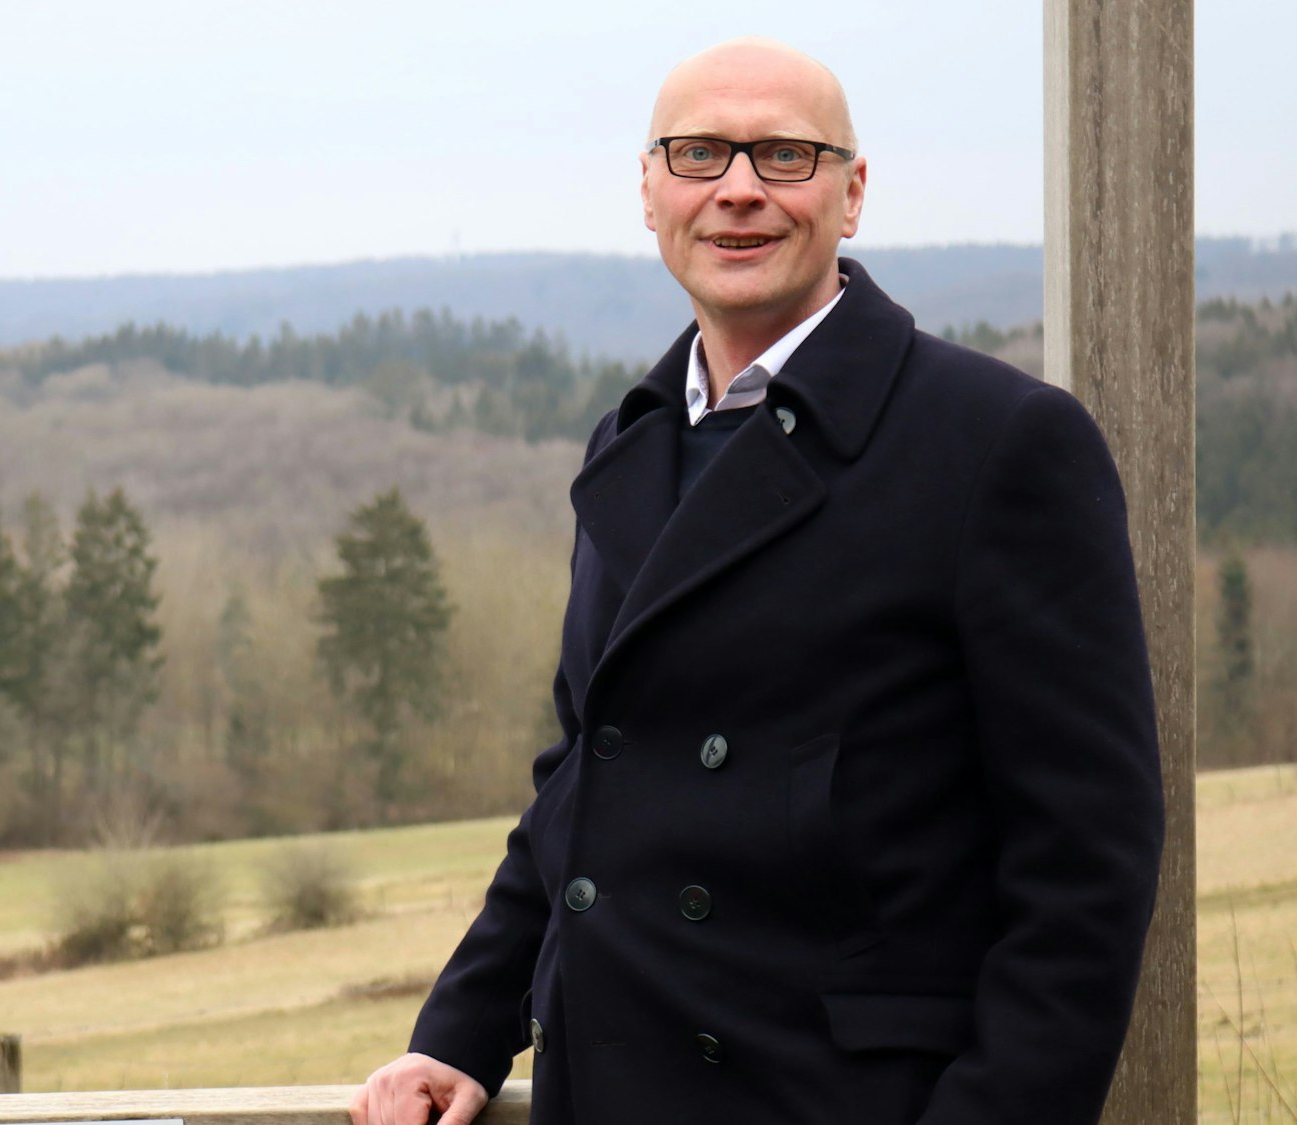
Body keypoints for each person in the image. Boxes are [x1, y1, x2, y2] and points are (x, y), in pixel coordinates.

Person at [350, 37, 1163, 1125]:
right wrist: (463, 1031)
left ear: (850, 191)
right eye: (697, 155)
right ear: (648, 191)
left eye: (783, 155)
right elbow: (583, 786)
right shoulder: (629, 443)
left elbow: (1084, 869)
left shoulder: (996, 442)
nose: (737, 191)